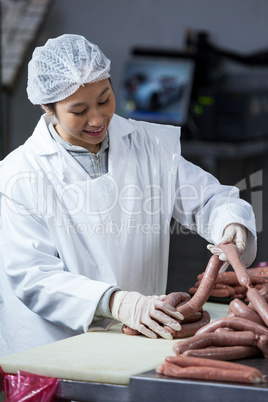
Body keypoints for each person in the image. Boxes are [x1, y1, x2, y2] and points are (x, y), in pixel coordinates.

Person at [0, 34, 257, 356]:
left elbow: (208, 198)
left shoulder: (149, 145)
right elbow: (32, 276)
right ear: (47, 107)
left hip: (138, 337)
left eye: (105, 99)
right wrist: (115, 301)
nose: (96, 119)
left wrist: (230, 222)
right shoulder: (19, 174)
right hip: (51, 349)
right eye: (78, 111)